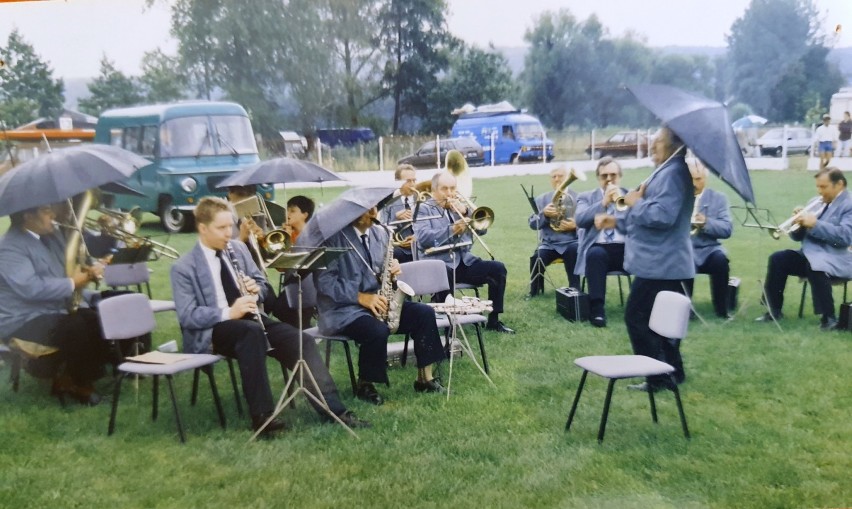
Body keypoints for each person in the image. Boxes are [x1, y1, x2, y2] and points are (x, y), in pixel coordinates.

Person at [170, 196, 367, 436]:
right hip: (214, 329)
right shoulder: (184, 267)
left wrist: (256, 289)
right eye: (221, 228)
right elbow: (187, 316)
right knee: (250, 334)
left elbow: (265, 286)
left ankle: (333, 409)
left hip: (252, 319)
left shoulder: (239, 249)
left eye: (230, 226)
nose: (228, 233)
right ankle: (262, 417)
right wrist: (228, 312)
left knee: (300, 340)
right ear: (202, 228)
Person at [314, 206, 447, 405]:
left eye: (374, 209)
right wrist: (360, 297)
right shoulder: (332, 239)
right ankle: (365, 384)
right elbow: (324, 284)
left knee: (424, 313)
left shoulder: (381, 233)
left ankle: (425, 378)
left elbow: (382, 274)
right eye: (365, 210)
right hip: (344, 310)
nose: (372, 214)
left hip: (378, 302)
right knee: (376, 330)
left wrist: (393, 272)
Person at [0, 202, 109, 405]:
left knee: (93, 317)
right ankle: (79, 383)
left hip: (50, 310)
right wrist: (73, 282)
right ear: (27, 216)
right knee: (74, 326)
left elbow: (67, 266)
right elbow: (31, 288)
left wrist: (90, 269)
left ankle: (72, 377)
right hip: (21, 319)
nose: (52, 214)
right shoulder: (9, 247)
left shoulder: (51, 236)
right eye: (45, 210)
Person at [620, 127, 694, 391]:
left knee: (637, 318)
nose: (652, 145)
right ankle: (673, 373)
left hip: (662, 265)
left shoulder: (673, 173)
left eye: (658, 141)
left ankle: (658, 377)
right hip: (662, 263)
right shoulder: (669, 170)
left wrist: (635, 203)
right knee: (660, 322)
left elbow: (663, 216)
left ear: (674, 145)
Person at [413, 171, 515, 334]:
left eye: (453, 188)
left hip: (464, 262)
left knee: (498, 268)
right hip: (439, 265)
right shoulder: (423, 209)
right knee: (443, 272)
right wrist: (452, 230)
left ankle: (494, 321)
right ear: (434, 191)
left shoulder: (458, 207)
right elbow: (423, 238)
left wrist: (467, 212)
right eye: (444, 189)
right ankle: (447, 327)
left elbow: (482, 231)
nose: (450, 193)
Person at [758, 168, 852, 331]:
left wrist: (815, 224)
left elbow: (845, 237)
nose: (819, 191)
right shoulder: (815, 201)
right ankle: (773, 311)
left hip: (838, 258)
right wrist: (799, 224)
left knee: (816, 266)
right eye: (818, 187)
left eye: (823, 187)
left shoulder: (849, 205)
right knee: (778, 259)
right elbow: (798, 238)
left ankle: (828, 318)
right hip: (810, 254)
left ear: (840, 184)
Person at [573, 157, 629, 327]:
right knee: (595, 254)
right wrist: (603, 203)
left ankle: (646, 307)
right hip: (599, 248)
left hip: (626, 250)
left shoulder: (630, 195)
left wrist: (617, 216)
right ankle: (597, 309)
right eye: (604, 176)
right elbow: (580, 219)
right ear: (598, 178)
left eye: (613, 175)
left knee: (648, 252)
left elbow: (639, 222)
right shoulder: (586, 197)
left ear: (620, 176)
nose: (609, 180)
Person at [684, 160, 733, 319]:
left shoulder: (719, 198)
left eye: (698, 179)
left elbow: (727, 229)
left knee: (720, 261)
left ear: (706, 179)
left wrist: (706, 222)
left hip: (710, 248)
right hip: (685, 247)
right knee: (683, 259)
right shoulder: (678, 197)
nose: (694, 183)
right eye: (690, 178)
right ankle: (685, 309)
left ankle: (722, 309)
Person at [528, 166, 580, 296]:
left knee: (573, 251)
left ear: (568, 177)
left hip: (572, 241)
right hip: (550, 244)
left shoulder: (579, 198)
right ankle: (535, 290)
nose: (557, 179)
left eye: (560, 176)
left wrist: (575, 226)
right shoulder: (541, 199)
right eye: (553, 177)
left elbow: (588, 223)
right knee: (537, 257)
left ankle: (575, 289)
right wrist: (544, 214)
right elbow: (533, 224)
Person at [382, 164, 418, 264]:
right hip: (400, 249)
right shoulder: (388, 202)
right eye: (408, 181)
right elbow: (382, 229)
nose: (412, 185)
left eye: (414, 180)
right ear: (397, 182)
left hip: (420, 245)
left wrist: (417, 237)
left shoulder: (422, 199)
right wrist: (396, 219)